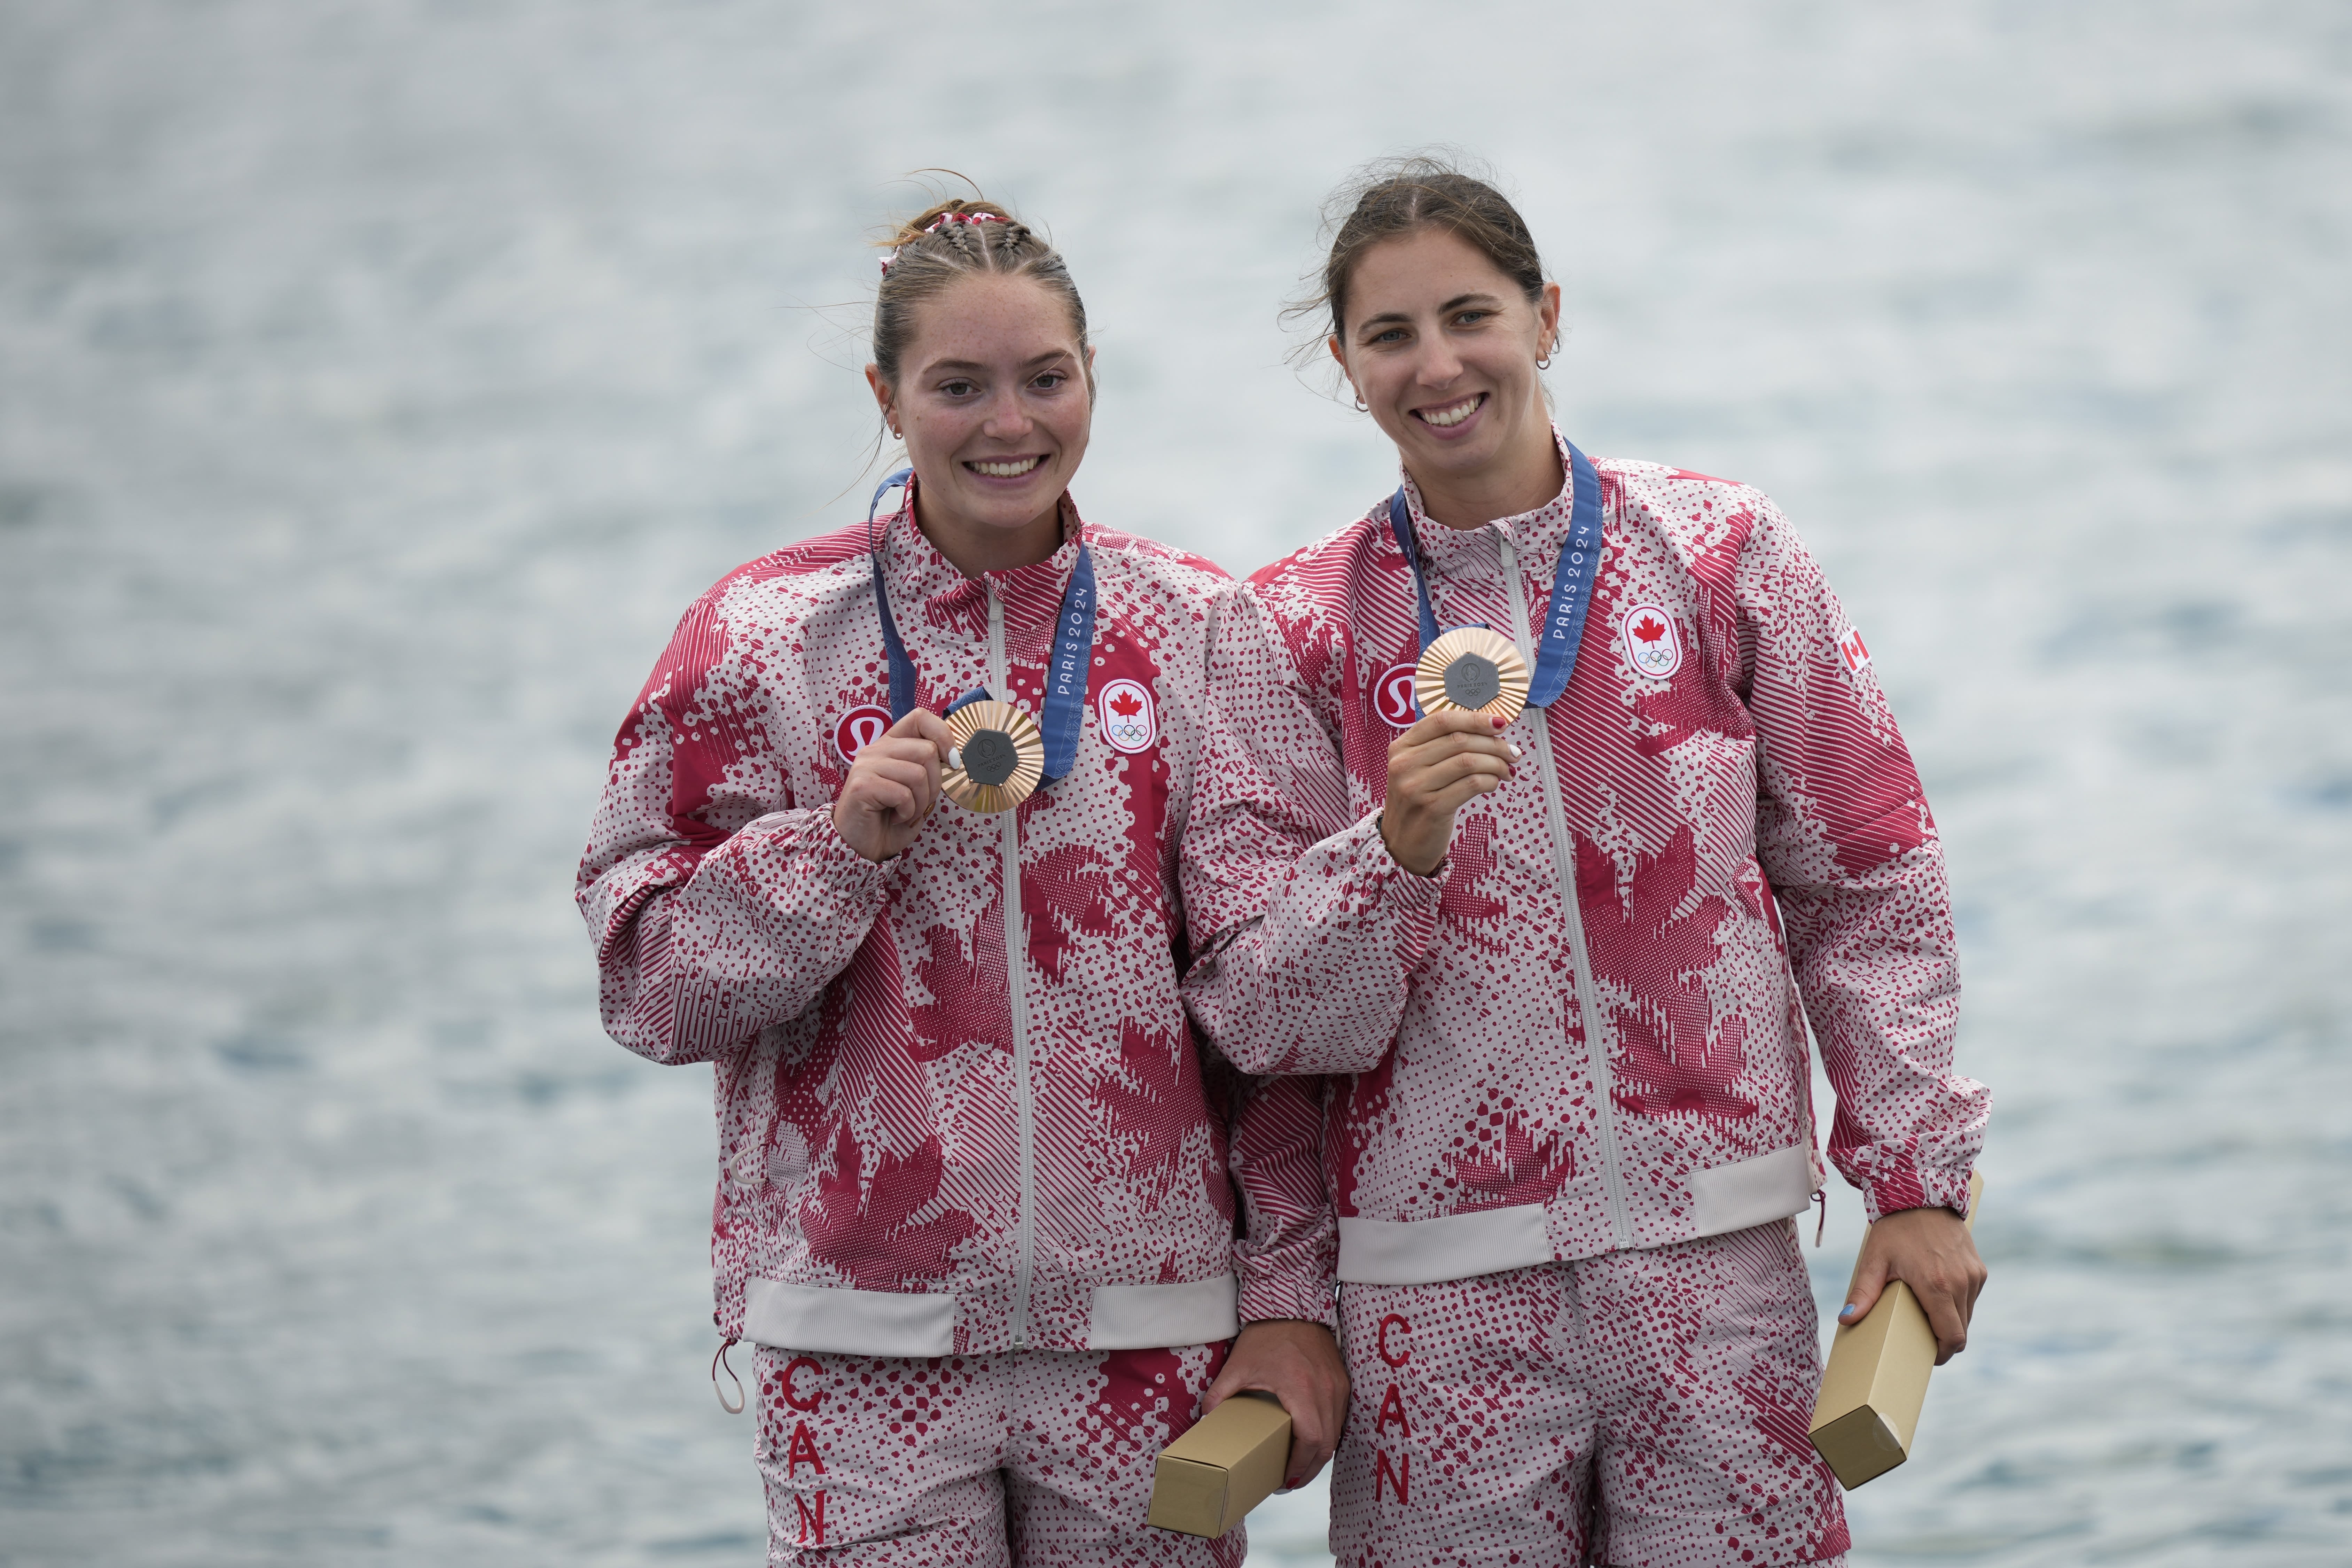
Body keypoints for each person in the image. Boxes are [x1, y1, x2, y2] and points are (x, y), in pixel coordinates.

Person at [576, 196, 1431, 1565]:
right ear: (885, 394)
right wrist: (833, 850)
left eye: (1046, 379)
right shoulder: (760, 642)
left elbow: (1267, 1017)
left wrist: (1285, 1294)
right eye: (957, 387)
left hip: (1146, 1337)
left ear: (1093, 377)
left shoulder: (1198, 630)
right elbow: (650, 992)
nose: (1008, 424)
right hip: (858, 1347)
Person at [1193, 158, 1992, 1567]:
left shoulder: (1723, 554)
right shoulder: (1291, 630)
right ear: (1344, 366)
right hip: (1433, 1305)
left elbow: (1868, 880)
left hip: (1715, 1259)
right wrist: (1395, 853)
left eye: (1470, 316)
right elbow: (1257, 1023)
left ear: (1546, 315)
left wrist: (1913, 1180)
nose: (1438, 365)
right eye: (1390, 337)